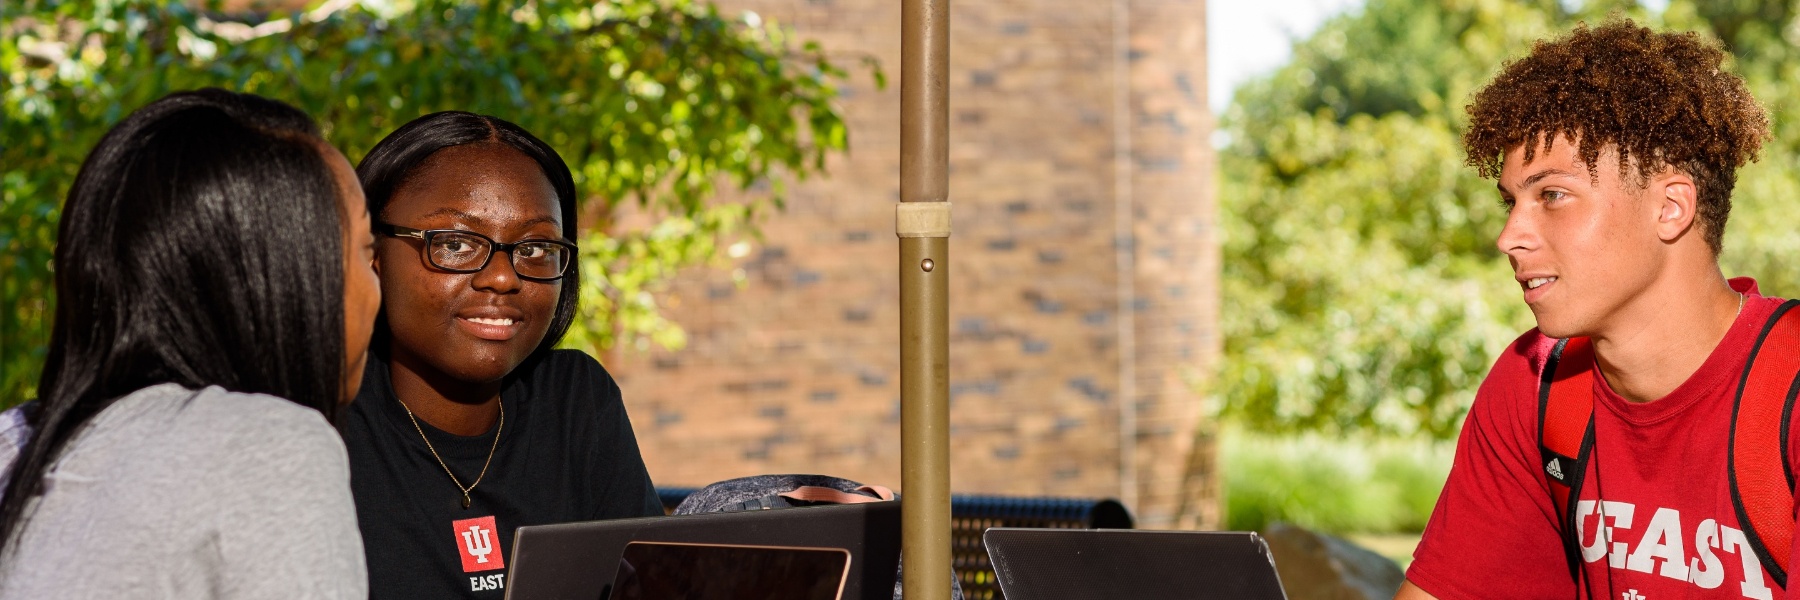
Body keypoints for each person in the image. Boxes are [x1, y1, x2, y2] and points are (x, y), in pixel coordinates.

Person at [1398, 20, 1783, 600]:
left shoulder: (1787, 389)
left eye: (1551, 195)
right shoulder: (1534, 382)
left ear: (1671, 208)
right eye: (1511, 201)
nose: (1508, 237)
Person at [0, 89, 382, 598]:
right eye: (365, 249)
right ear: (281, 280)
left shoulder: (14, 442)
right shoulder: (268, 446)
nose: (378, 281)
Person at [341, 111, 661, 599]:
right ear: (372, 254)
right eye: (454, 243)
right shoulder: (316, 421)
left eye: (535, 248)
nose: (504, 276)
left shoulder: (574, 402)